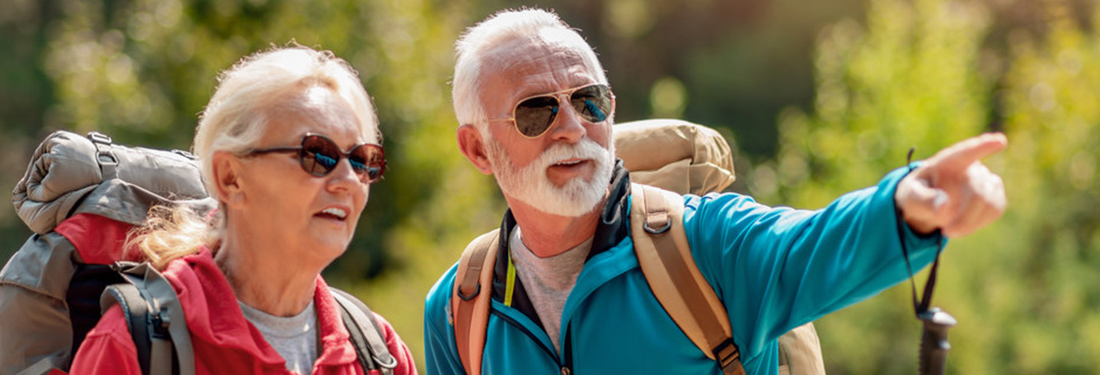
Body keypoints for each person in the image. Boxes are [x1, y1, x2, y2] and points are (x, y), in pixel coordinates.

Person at [423, 8, 1007, 375]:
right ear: (477, 150)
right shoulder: (459, 309)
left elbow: (812, 245)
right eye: (536, 111)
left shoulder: (704, 244)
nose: (574, 126)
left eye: (589, 100)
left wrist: (909, 201)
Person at [70, 46, 417, 375]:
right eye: (317, 154)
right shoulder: (131, 348)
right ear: (230, 177)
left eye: (361, 160)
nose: (347, 180)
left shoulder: (378, 352)